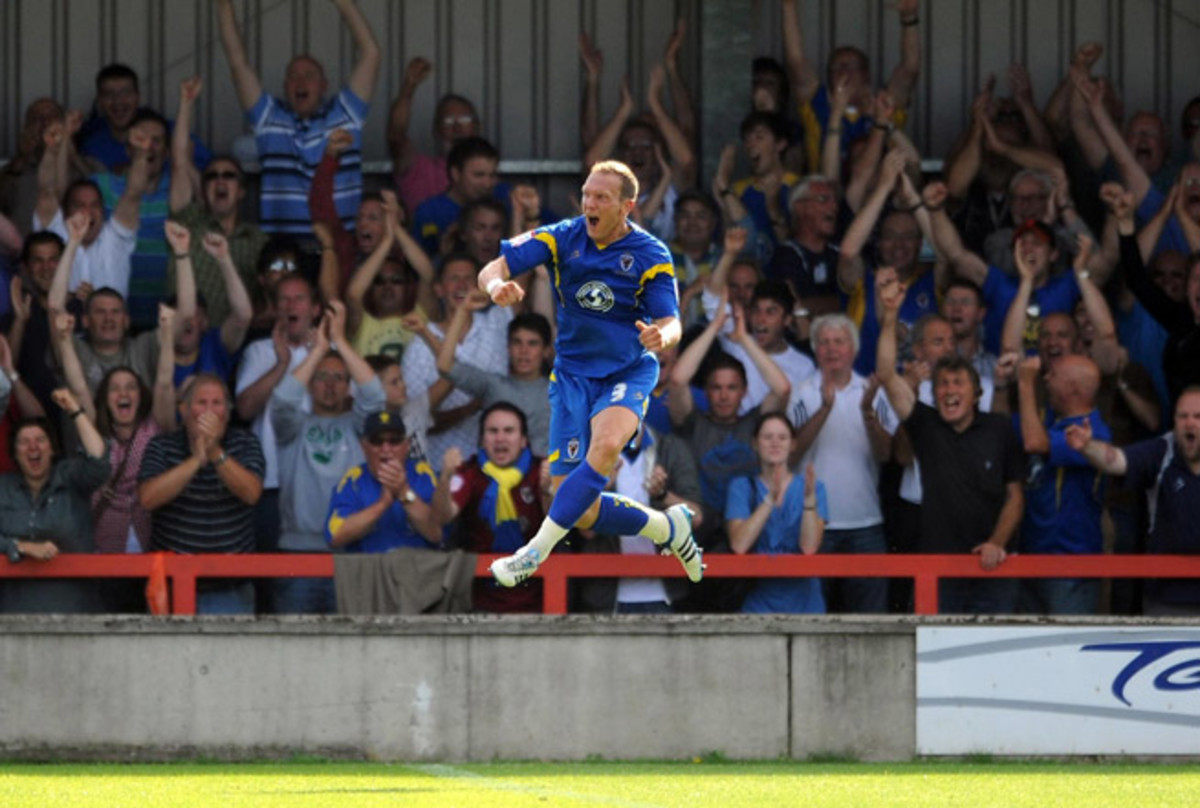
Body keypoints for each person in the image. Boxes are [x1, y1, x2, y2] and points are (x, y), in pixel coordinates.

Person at [478, 160, 703, 587]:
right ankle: (668, 529)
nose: (589, 204)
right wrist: (496, 288)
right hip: (571, 378)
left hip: (627, 371)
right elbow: (492, 268)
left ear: (627, 206)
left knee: (606, 446)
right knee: (577, 508)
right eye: (586, 194)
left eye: (601, 197)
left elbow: (671, 321)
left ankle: (532, 553)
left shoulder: (651, 253)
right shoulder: (562, 236)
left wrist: (663, 337)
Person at [876, 269, 1025, 614]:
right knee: (935, 664)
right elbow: (886, 373)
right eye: (942, 384)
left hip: (995, 565)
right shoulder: (927, 425)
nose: (949, 391)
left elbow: (1015, 497)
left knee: (993, 662)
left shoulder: (998, 428)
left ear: (976, 394)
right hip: (939, 570)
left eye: (958, 383)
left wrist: (996, 543)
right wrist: (890, 315)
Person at [215, 0, 381, 234]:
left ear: (324, 86)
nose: (300, 82)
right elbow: (237, 61)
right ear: (285, 86)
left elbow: (371, 53)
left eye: (309, 75)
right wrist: (224, 5)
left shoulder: (345, 114)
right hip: (283, 256)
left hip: (337, 254)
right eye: (293, 76)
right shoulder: (269, 118)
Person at [271, 301, 384, 613]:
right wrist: (318, 350)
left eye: (338, 378)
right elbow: (282, 400)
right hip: (298, 553)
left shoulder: (359, 427)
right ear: (309, 384)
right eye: (321, 377)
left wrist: (341, 342)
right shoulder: (292, 428)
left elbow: (375, 395)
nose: (330, 385)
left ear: (349, 387)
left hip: (351, 552)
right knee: (293, 653)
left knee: (350, 655)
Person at [788, 313, 895, 613]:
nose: (831, 349)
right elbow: (792, 453)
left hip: (866, 523)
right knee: (813, 617)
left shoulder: (873, 392)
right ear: (814, 349)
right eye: (823, 342)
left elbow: (886, 454)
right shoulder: (801, 392)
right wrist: (825, 408)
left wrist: (867, 412)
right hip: (813, 524)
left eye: (839, 342)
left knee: (871, 620)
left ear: (854, 349)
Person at [137, 373, 265, 614]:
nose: (209, 411)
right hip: (171, 586)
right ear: (184, 410)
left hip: (231, 589)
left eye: (217, 403)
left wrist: (214, 452)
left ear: (227, 412)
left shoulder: (247, 443)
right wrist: (196, 460)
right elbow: (147, 499)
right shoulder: (160, 446)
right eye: (201, 403)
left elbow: (252, 493)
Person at [1066, 387, 1200, 616]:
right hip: (1167, 599)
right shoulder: (1162, 451)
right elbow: (1116, 460)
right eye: (1182, 416)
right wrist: (1088, 447)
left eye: (1198, 417)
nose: (1189, 423)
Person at [168, 76, 267, 329]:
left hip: (233, 344)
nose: (220, 181)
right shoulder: (187, 222)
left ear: (242, 191)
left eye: (229, 176)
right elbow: (179, 159)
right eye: (211, 176)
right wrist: (186, 103)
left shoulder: (258, 241)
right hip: (186, 338)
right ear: (203, 188)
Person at [0, 388, 110, 614]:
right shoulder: (3, 488)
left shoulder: (70, 478)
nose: (33, 447)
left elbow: (99, 462)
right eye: (24, 442)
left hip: (74, 609)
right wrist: (21, 546)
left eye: (41, 440)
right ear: (14, 453)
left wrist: (74, 410)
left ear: (52, 448)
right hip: (14, 614)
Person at [432, 403, 550, 613]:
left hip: (540, 594)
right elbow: (443, 516)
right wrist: (445, 477)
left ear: (524, 440)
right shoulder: (469, 472)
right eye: (493, 431)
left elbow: (557, 523)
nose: (500, 438)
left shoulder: (542, 470)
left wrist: (548, 489)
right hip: (481, 598)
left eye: (509, 431)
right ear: (482, 440)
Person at [1014, 354, 1108, 615]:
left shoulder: (1094, 433)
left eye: (1052, 375)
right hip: (1031, 561)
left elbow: (1034, 443)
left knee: (1068, 652)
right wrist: (1002, 384)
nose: (1045, 379)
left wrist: (1025, 383)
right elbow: (1004, 426)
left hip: (1071, 567)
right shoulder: (1048, 420)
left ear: (1073, 388)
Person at [727, 413, 827, 614]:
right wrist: (769, 500)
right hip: (757, 601)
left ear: (793, 445)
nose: (775, 443)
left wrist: (808, 501)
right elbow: (739, 544)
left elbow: (809, 548)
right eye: (767, 437)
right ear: (755, 443)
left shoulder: (813, 487)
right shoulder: (741, 486)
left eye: (782, 438)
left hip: (805, 602)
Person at [437, 307, 553, 456]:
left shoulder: (561, 391)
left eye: (532, 343)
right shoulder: (492, 385)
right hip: (492, 476)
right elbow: (444, 365)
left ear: (546, 351)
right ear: (508, 348)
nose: (524, 351)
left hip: (544, 476)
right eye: (517, 342)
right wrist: (462, 311)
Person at [324, 409, 441, 553]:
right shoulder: (353, 479)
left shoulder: (423, 474)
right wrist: (382, 504)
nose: (386, 448)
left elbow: (436, 533)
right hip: (369, 571)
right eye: (377, 441)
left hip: (416, 571)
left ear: (407, 445)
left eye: (394, 440)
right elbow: (334, 536)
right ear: (364, 447)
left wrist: (404, 492)